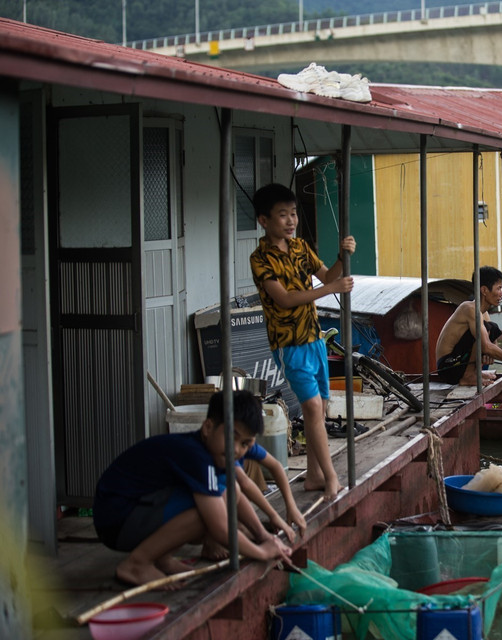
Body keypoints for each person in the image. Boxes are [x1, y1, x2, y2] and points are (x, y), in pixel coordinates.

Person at [93, 391, 292, 587]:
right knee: (206, 515)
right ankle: (137, 564)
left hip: (135, 511)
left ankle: (161, 557)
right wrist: (262, 552)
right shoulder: (197, 456)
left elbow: (234, 495)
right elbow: (221, 528)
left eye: (245, 444)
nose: (238, 450)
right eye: (232, 436)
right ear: (207, 428)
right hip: (116, 521)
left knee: (228, 491)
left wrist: (265, 538)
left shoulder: (214, 454)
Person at [249, 183, 355, 500]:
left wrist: (342, 255)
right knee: (310, 406)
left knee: (319, 410)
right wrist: (332, 287)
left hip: (314, 340)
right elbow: (284, 299)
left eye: (293, 213)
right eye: (282, 215)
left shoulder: (299, 247)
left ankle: (313, 477)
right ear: (264, 220)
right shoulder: (260, 259)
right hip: (289, 345)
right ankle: (332, 477)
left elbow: (326, 275)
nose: (291, 220)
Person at [200, 443, 307, 560]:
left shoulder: (245, 443)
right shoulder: (227, 447)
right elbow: (244, 483)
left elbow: (276, 466)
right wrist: (273, 516)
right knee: (233, 488)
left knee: (238, 482)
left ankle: (244, 528)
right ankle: (212, 539)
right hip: (198, 512)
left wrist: (291, 507)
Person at [435, 266, 502, 386]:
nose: (501, 294)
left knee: (491, 327)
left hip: (460, 363)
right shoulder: (469, 308)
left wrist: (489, 354)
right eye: (499, 288)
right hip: (448, 367)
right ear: (484, 290)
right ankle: (469, 376)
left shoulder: (483, 313)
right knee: (484, 331)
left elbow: (491, 345)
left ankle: (475, 373)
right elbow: (485, 346)